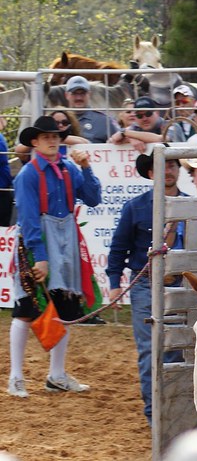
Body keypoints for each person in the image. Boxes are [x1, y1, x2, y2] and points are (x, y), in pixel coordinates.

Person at [8, 116, 102, 398]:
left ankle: (57, 374)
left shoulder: (70, 169)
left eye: (56, 135)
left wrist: (86, 167)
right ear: (34, 142)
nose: (53, 139)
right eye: (46, 136)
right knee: (27, 307)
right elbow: (28, 219)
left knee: (64, 307)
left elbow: (94, 198)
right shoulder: (28, 175)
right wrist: (40, 256)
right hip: (41, 240)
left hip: (66, 238)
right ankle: (15, 376)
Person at [106, 152, 186, 423]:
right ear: (151, 173)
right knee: (150, 348)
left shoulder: (191, 204)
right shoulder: (135, 207)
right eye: (163, 166)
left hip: (181, 283)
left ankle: (173, 406)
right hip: (144, 284)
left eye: (172, 164)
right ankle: (155, 411)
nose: (169, 170)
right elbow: (118, 248)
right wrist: (115, 284)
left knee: (177, 346)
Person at [109, 96, 186, 151]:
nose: (144, 118)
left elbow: (161, 139)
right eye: (139, 116)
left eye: (148, 114)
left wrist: (125, 133)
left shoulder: (171, 125)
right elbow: (113, 141)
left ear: (157, 113)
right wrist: (130, 139)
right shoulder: (135, 128)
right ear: (135, 117)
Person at [64, 75, 119, 143]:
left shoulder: (105, 121)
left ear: (89, 94)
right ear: (66, 95)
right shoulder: (60, 120)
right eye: (74, 93)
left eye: (83, 93)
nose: (79, 98)